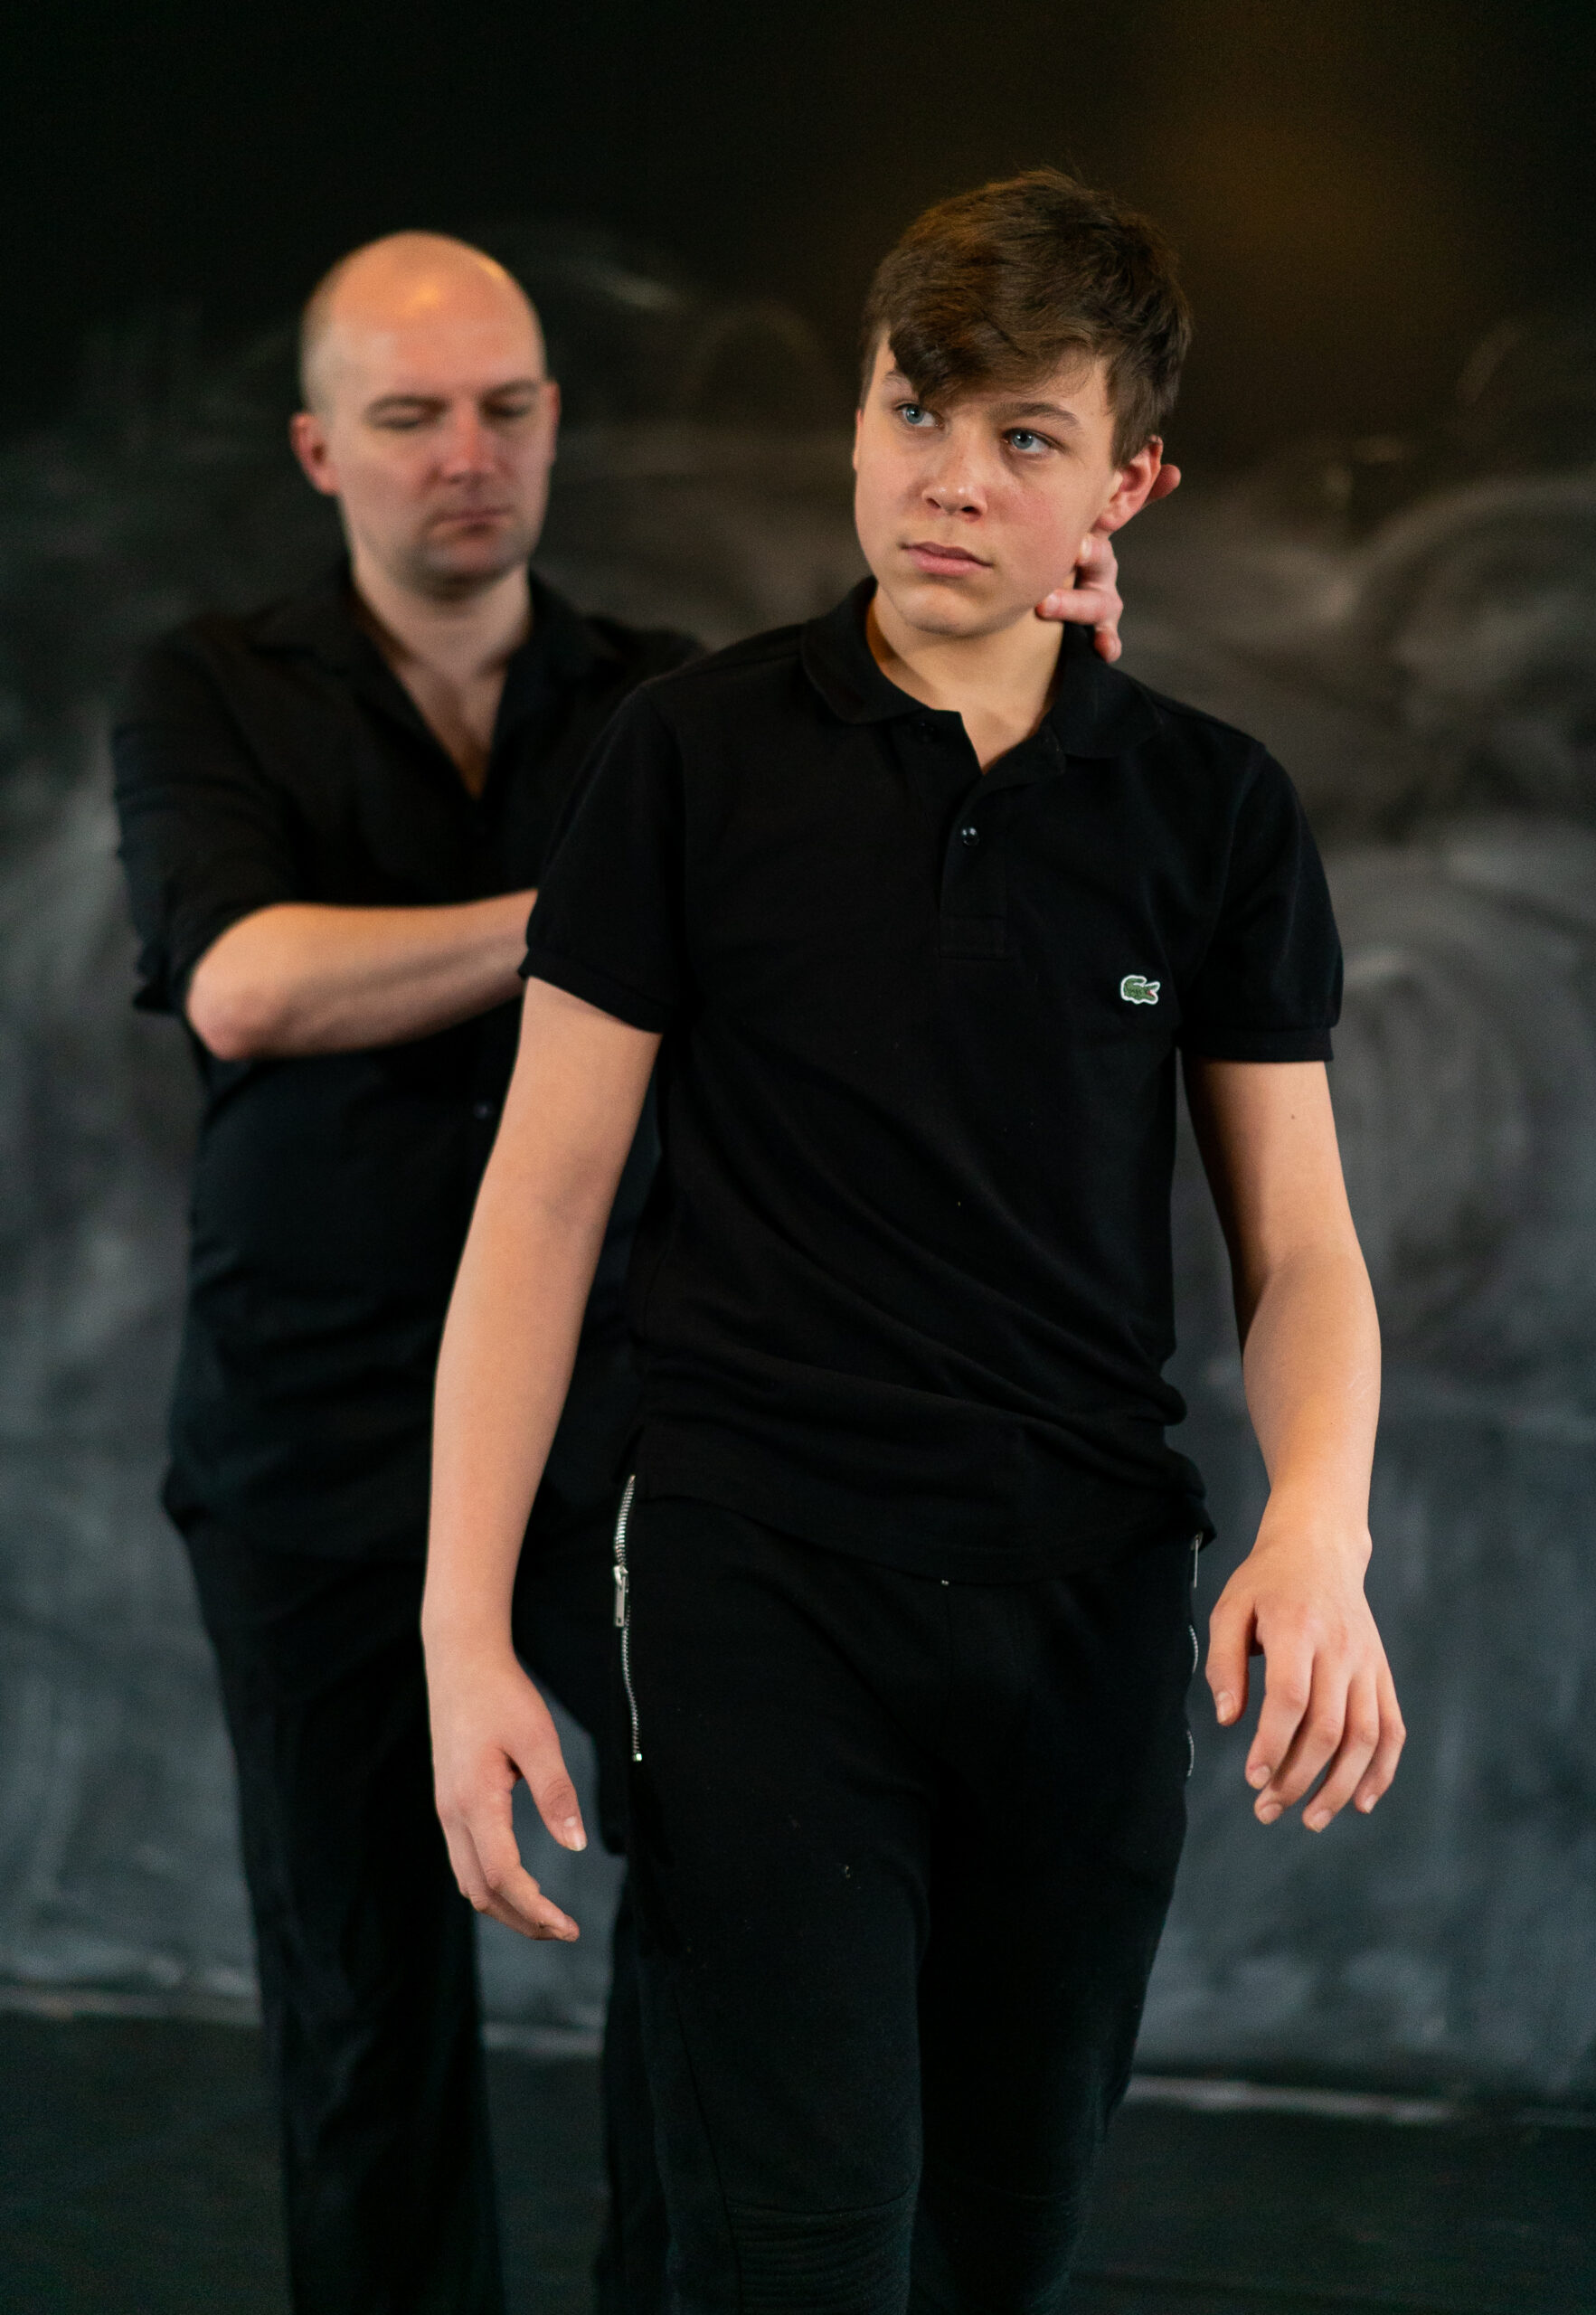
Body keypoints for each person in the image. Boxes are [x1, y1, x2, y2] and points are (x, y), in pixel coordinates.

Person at [110, 229, 1144, 2315]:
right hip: (307, 1446)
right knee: (361, 1998)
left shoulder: (666, 703)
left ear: (555, 425)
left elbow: (888, 878)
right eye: (409, 417)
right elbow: (242, 982)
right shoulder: (209, 686)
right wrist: (603, 908)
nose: (463, 455)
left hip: (623, 1439)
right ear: (325, 448)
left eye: (503, 406)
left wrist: (1056, 680)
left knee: (706, 1953)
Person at [423, 171, 1406, 2315]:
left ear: (1124, 484)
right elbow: (543, 1198)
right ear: (858, 415)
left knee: (993, 2240)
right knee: (795, 2241)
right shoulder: (689, 758)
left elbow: (1299, 1251)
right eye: (910, 412)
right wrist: (459, 1626)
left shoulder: (1208, 811)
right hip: (751, 1570)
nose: (948, 480)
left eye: (1022, 438)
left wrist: (1314, 1522)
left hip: (1077, 1602)